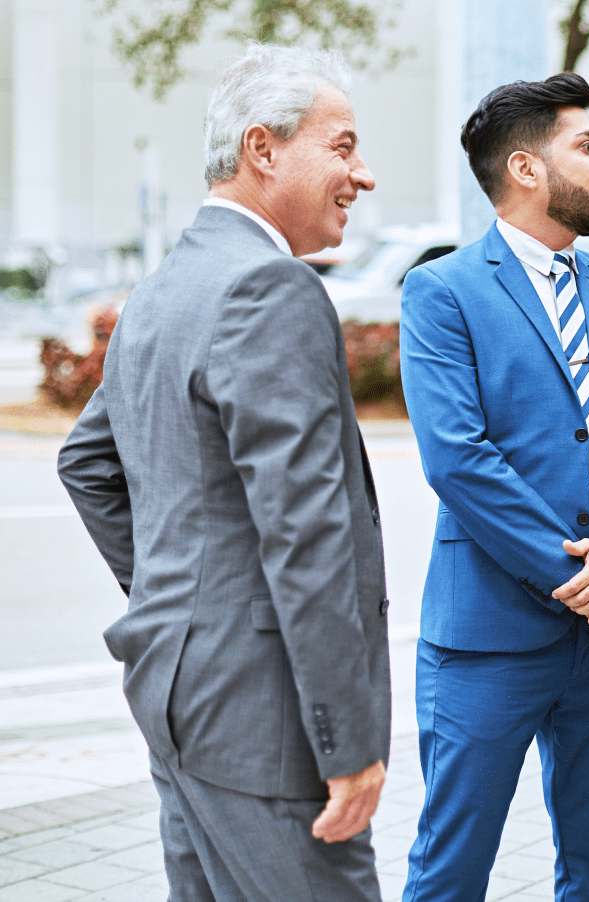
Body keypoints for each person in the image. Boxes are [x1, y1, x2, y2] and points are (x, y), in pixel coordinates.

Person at [56, 44, 389, 900]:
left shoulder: (164, 289)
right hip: (264, 727)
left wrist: (182, 602)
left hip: (181, 700)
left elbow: (88, 463)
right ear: (262, 149)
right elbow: (305, 534)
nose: (364, 176)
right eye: (343, 147)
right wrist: (346, 745)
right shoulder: (270, 289)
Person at [398, 72, 589, 902]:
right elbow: (457, 458)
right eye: (588, 146)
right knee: (450, 872)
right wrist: (584, 581)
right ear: (527, 169)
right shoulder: (441, 292)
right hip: (489, 636)